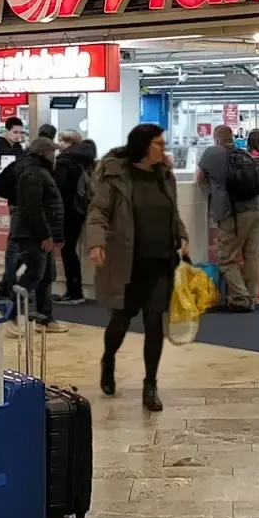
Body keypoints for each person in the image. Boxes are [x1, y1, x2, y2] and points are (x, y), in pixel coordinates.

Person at [87, 124, 189, 412]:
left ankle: (150, 384)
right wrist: (96, 243)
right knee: (120, 321)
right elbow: (98, 211)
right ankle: (109, 360)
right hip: (128, 263)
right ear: (144, 146)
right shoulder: (117, 176)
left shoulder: (164, 175)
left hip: (161, 262)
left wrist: (182, 235)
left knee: (154, 323)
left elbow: (172, 211)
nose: (164, 149)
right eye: (159, 144)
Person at [197, 125, 259, 312]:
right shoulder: (244, 154)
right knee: (252, 256)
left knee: (226, 258)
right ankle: (251, 298)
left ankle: (240, 299)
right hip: (258, 210)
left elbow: (199, 177)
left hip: (233, 213)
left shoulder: (212, 153)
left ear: (215, 138)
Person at [8, 137, 67, 333]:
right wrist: (45, 235)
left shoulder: (39, 171)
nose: (55, 156)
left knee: (46, 275)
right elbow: (33, 207)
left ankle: (44, 317)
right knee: (33, 275)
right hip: (32, 234)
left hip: (39, 232)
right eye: (52, 152)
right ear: (44, 153)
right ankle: (14, 317)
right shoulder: (32, 173)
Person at [54, 133, 97, 304]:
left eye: (63, 140)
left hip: (67, 210)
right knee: (70, 249)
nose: (60, 143)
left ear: (70, 143)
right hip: (80, 209)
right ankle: (75, 290)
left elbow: (59, 188)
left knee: (67, 250)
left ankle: (74, 291)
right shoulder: (87, 158)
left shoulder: (65, 161)